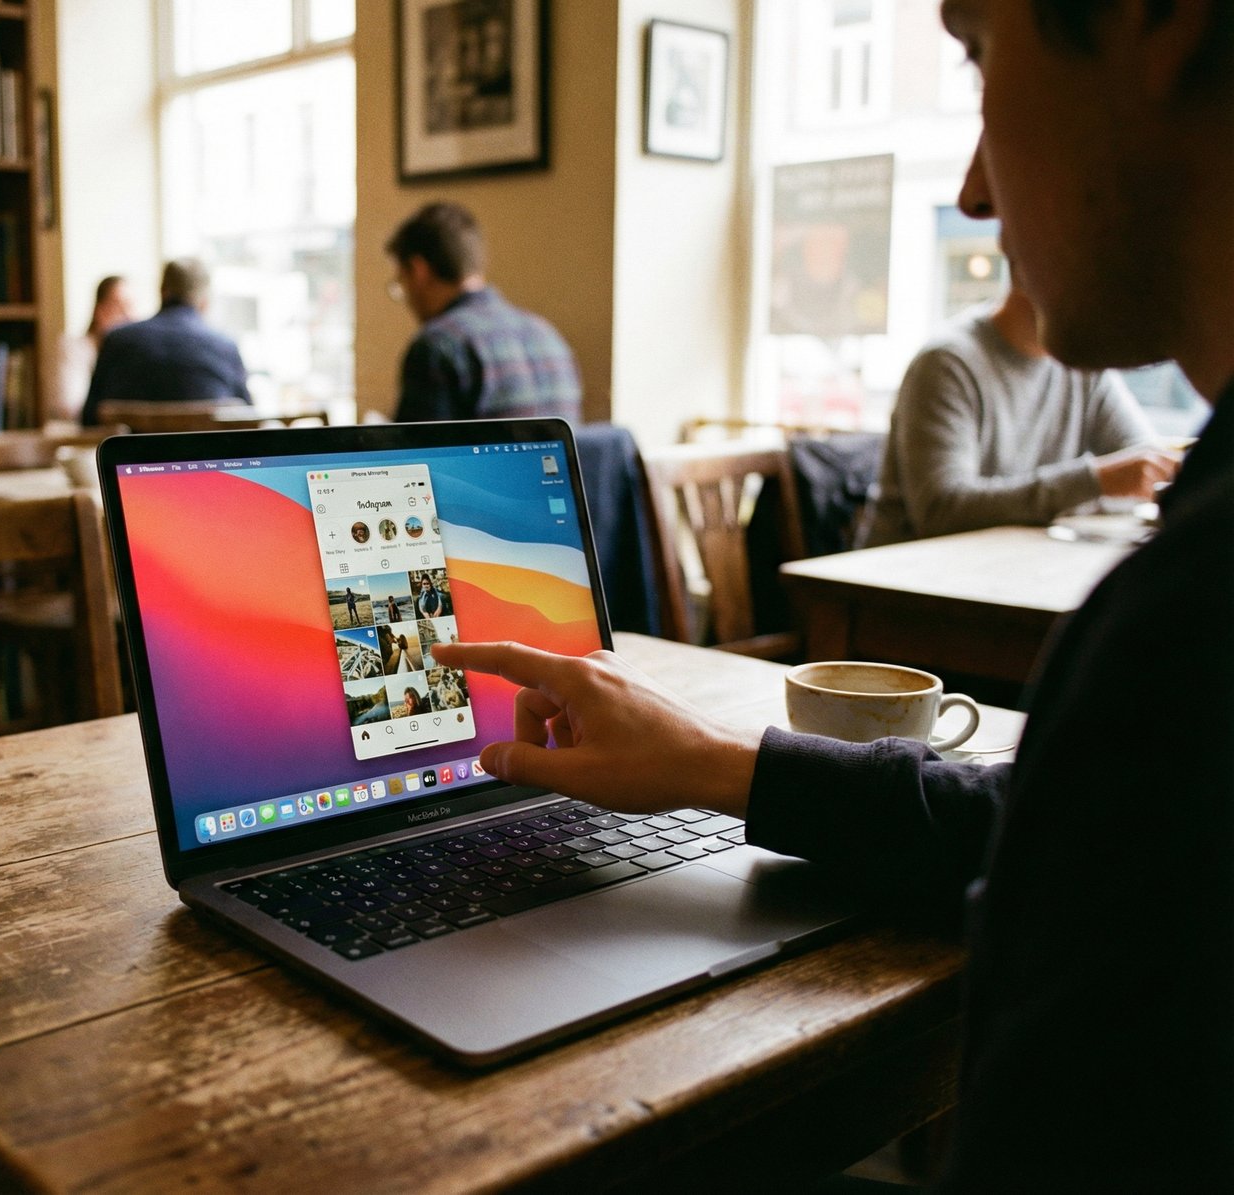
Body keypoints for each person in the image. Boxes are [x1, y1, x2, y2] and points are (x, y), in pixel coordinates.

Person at [435, 0, 1233, 1187]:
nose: (971, 189)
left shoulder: (1180, 634)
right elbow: (1032, 826)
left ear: (1152, 17)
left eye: (976, 55)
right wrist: (716, 763)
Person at [865, 280, 1179, 545]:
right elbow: (942, 510)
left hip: (1006, 571)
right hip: (902, 592)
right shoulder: (948, 362)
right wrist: (1096, 481)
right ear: (1024, 267)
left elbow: (1145, 465)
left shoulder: (1084, 366)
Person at [386, 202, 582, 423]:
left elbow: (414, 452)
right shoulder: (547, 334)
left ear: (419, 270)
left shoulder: (436, 346)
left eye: (401, 281)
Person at [80, 258, 250, 426]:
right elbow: (248, 419)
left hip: (137, 453)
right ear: (205, 301)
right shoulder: (226, 347)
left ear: (162, 291)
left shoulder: (116, 340)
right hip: (208, 452)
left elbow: (88, 418)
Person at [54, 275, 136, 420]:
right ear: (99, 310)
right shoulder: (74, 348)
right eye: (118, 305)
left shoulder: (133, 353)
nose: (128, 315)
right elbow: (69, 405)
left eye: (130, 306)